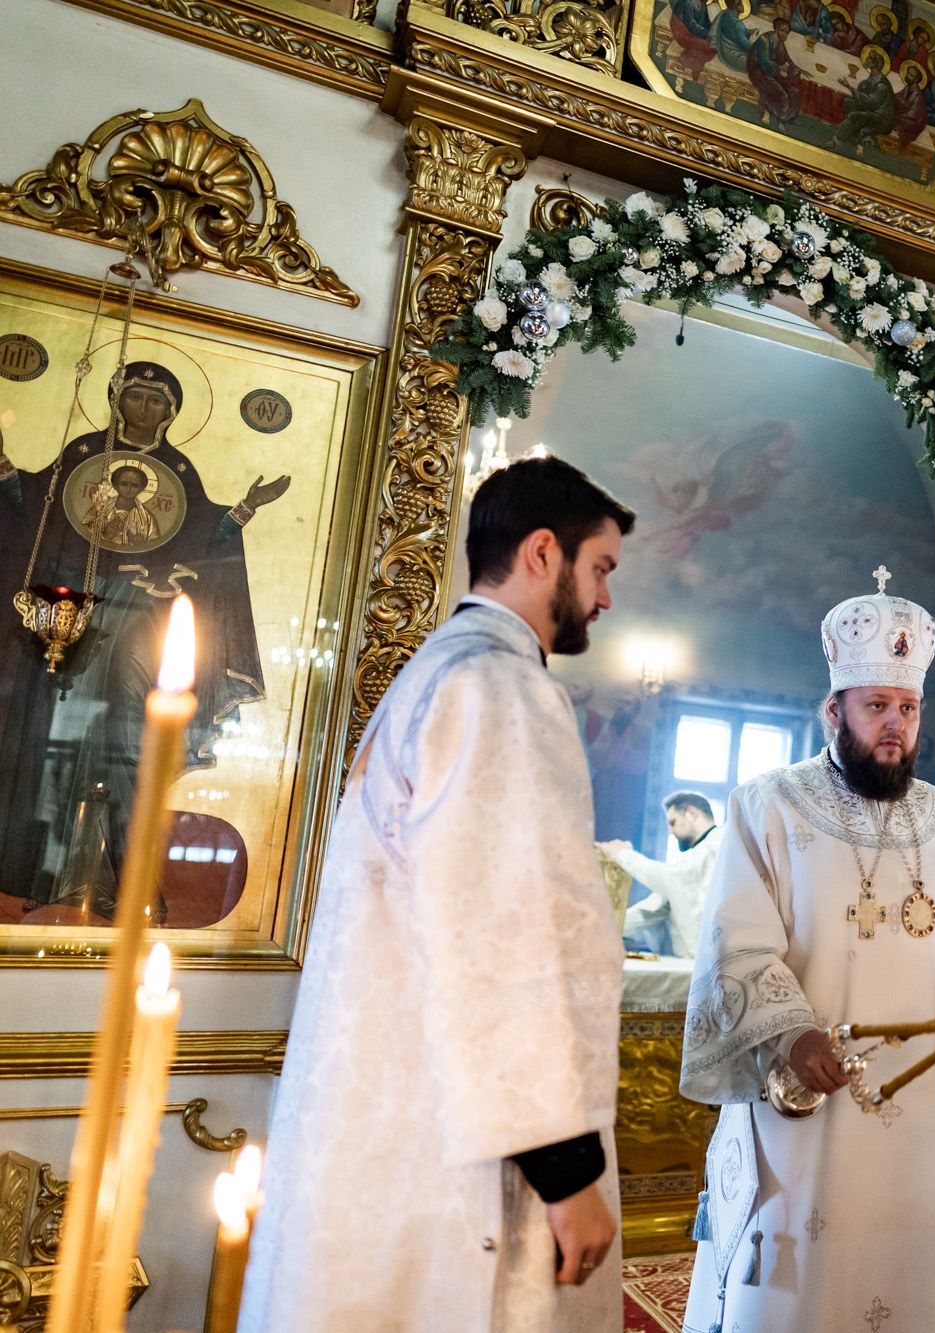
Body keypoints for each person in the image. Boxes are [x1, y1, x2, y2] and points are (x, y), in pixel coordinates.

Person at [241, 456, 635, 1331]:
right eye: (601, 568)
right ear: (543, 552)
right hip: (471, 1155)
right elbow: (506, 929)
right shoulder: (502, 687)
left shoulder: (429, 674)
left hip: (392, 1116)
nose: (606, 598)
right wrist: (567, 1170)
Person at [680, 567, 935, 1332]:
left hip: (918, 1123)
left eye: (907, 708)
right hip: (807, 1114)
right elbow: (737, 948)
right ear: (834, 710)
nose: (894, 725)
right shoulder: (768, 806)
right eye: (876, 705)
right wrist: (793, 1033)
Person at [0, 363, 282, 915]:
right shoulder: (84, 453)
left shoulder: (177, 469)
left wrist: (246, 509)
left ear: (171, 413)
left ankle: (125, 881)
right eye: (135, 396)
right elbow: (35, 507)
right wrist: (6, 471)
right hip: (75, 619)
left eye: (156, 401)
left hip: (138, 618)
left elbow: (203, 534)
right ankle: (50, 879)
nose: (144, 408)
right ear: (116, 400)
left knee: (125, 738)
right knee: (59, 745)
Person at [603, 790, 721, 957]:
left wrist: (622, 855)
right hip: (693, 964)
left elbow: (672, 879)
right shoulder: (695, 860)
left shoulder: (718, 844)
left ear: (692, 813)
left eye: (673, 822)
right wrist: (605, 925)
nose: (670, 832)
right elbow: (652, 909)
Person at [747, 14, 803, 123]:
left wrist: (796, 68)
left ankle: (788, 118)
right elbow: (764, 62)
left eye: (787, 32)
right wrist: (779, 67)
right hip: (758, 71)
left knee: (795, 92)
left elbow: (787, 58)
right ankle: (779, 117)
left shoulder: (780, 43)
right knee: (782, 94)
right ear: (776, 29)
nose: (785, 34)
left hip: (772, 72)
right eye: (782, 31)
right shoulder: (764, 40)